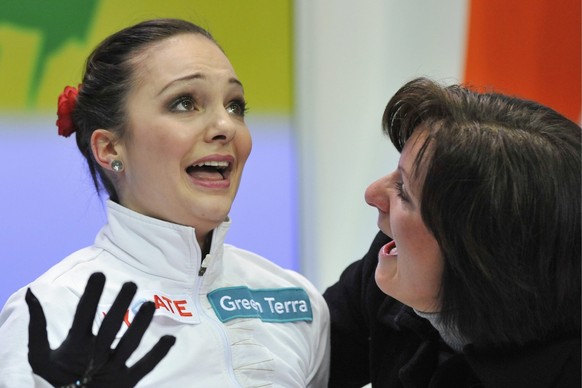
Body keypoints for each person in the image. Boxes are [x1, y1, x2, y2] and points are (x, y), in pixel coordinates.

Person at [0, 18, 329, 387]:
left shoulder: (298, 303)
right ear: (109, 148)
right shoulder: (53, 308)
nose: (226, 125)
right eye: (184, 103)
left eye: (236, 105)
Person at [323, 77, 581, 387]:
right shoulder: (395, 264)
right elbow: (293, 353)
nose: (373, 193)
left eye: (404, 191)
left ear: (481, 259)